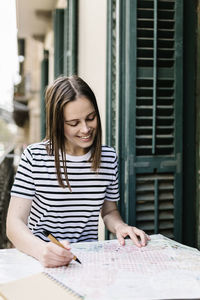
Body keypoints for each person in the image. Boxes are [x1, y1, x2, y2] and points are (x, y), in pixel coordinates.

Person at [6, 75, 150, 268]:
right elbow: (14, 224)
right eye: (74, 123)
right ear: (57, 123)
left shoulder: (108, 158)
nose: (85, 129)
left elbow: (109, 210)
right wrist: (42, 250)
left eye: (90, 118)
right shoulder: (34, 157)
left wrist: (120, 226)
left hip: (87, 261)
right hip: (40, 259)